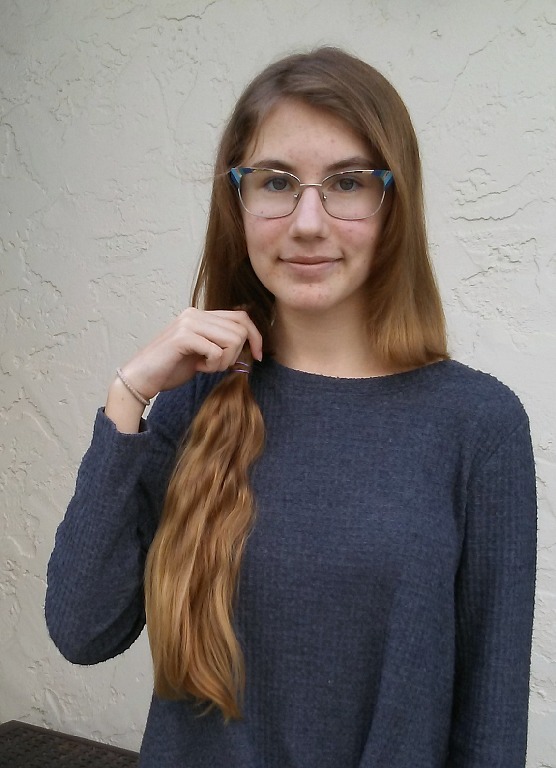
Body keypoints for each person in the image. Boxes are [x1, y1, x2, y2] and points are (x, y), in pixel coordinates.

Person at [45, 47, 537, 768]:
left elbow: (490, 727)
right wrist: (130, 397)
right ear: (238, 202)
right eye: (276, 182)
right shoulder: (195, 398)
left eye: (347, 182)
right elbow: (82, 630)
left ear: (394, 203)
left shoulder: (478, 424)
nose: (308, 222)